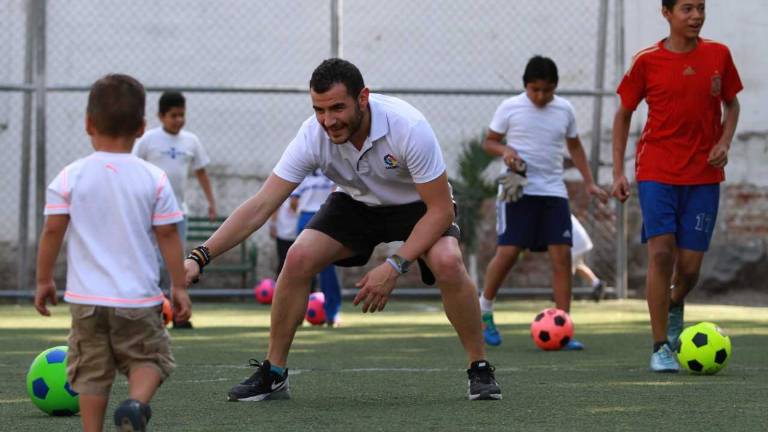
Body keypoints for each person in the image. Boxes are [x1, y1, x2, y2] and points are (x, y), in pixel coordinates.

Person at [184, 58, 502, 401]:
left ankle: (479, 367)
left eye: (337, 108)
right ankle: (274, 372)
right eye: (319, 109)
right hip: (355, 205)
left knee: (448, 263)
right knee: (298, 257)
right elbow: (262, 205)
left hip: (418, 207)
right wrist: (200, 256)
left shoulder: (408, 126)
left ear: (363, 98)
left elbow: (439, 210)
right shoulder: (312, 135)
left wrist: (395, 265)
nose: (328, 120)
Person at [34, 74, 192, 432]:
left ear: (88, 124)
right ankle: (135, 405)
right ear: (141, 128)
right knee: (150, 358)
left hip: (86, 300)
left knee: (91, 371)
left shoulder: (69, 177)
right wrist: (178, 286)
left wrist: (44, 279)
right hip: (137, 300)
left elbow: (52, 230)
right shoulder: (153, 178)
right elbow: (167, 234)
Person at [612, 0, 742, 372]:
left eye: (700, 8)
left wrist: (724, 142)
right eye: (687, 9)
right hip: (656, 171)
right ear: (666, 13)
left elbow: (732, 106)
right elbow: (623, 114)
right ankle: (659, 346)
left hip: (703, 175)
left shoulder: (719, 55)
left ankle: (674, 303)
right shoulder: (646, 60)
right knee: (661, 253)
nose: (696, 16)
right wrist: (618, 172)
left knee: (689, 269)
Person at [478, 56, 609, 348]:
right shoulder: (510, 107)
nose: (540, 96)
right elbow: (489, 141)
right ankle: (484, 309)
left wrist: (589, 182)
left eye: (547, 90)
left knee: (563, 257)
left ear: (555, 88)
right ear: (525, 86)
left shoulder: (564, 109)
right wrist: (506, 150)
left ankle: (564, 328)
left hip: (553, 192)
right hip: (518, 191)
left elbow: (574, 146)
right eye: (535, 90)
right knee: (509, 252)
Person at [133, 91, 215, 329]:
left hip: (178, 212)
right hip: (149, 213)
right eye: (173, 116)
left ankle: (178, 314)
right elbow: (133, 168)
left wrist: (211, 201)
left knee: (176, 264)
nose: (178, 120)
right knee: (152, 263)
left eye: (182, 115)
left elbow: (201, 172)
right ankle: (153, 313)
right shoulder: (148, 140)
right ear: (160, 116)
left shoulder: (191, 141)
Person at [291, 169, 343, 326]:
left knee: (301, 269)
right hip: (325, 217)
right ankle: (332, 314)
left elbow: (293, 202)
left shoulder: (302, 173)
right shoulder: (332, 170)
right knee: (327, 269)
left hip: (306, 219)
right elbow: (338, 194)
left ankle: (295, 316)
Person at [570, 214, 605, 301]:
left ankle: (565, 294)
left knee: (566, 267)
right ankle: (596, 283)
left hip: (575, 241)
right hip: (579, 240)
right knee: (577, 264)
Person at [270, 198, 299, 278]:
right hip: (282, 234)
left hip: (297, 234)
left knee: (297, 264)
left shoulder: (302, 191)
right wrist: (272, 225)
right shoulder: (284, 192)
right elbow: (275, 209)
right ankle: (279, 285)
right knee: (283, 262)